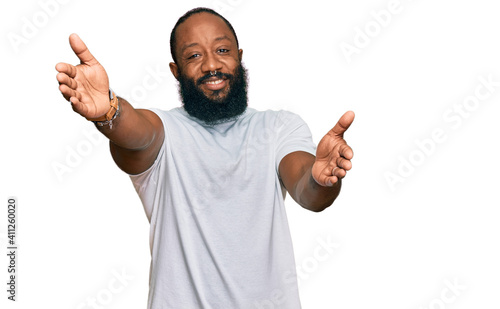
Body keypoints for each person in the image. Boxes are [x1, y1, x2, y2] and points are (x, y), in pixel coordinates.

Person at [55, 7, 354, 309]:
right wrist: (109, 110)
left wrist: (320, 178)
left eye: (222, 50)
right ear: (176, 71)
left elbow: (309, 190)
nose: (212, 64)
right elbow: (134, 132)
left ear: (239, 56)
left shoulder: (278, 127)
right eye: (194, 56)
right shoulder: (165, 130)